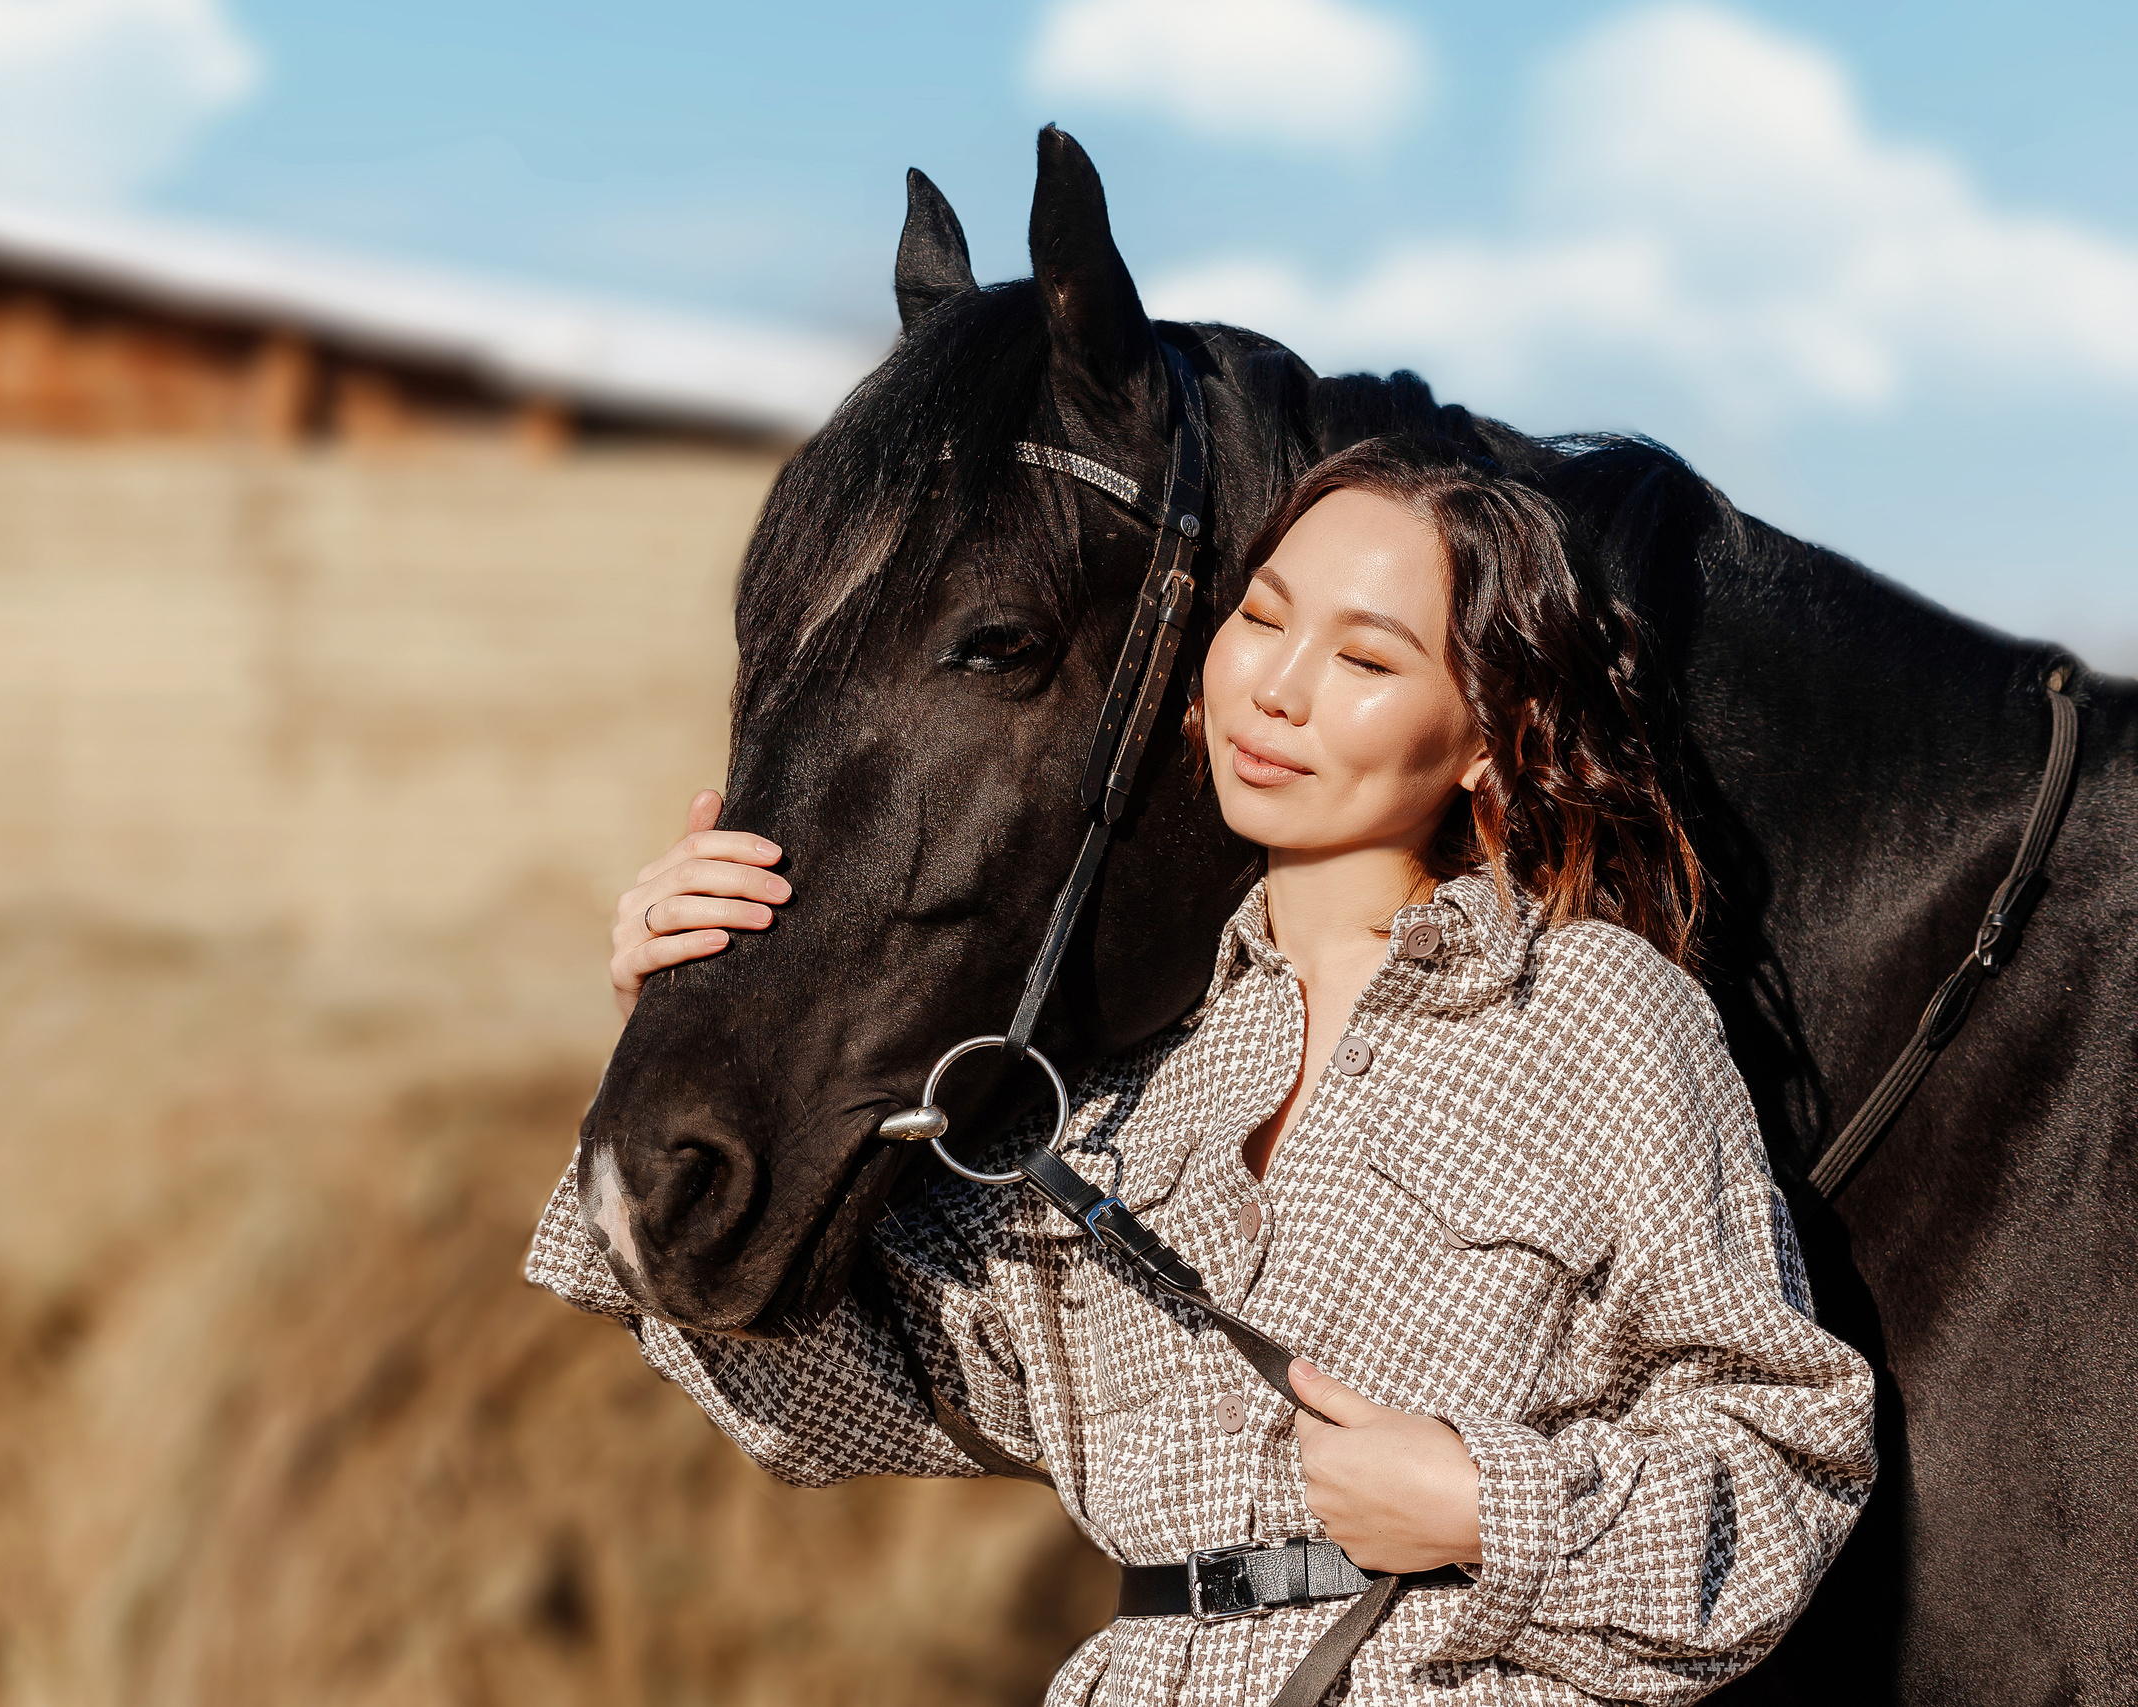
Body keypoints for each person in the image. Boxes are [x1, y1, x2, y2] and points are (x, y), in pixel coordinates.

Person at [529, 435, 1874, 1705]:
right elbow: (837, 1394)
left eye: (1366, 658)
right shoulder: (1122, 1073)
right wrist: (695, 1016)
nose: (1278, 689)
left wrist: (1485, 1506)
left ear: (1486, 738)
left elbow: (1786, 1454)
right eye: (1266, 618)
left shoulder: (1592, 1012)